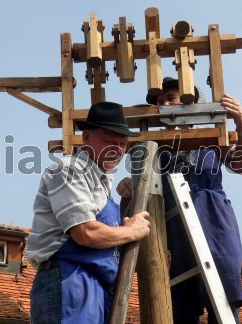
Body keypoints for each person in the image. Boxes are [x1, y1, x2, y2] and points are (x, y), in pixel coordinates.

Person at [119, 77, 242, 323]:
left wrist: (241, 123)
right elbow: (143, 190)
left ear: (190, 102)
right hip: (175, 233)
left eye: (171, 98)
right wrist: (129, 186)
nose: (166, 104)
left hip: (214, 226)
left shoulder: (212, 136)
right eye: (160, 101)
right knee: (181, 307)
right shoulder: (156, 148)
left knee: (223, 300)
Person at [27, 101, 151, 324]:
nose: (118, 150)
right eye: (110, 142)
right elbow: (86, 232)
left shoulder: (103, 186)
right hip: (70, 282)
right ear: (86, 138)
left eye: (123, 144)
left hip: (96, 289)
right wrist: (132, 231)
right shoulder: (68, 169)